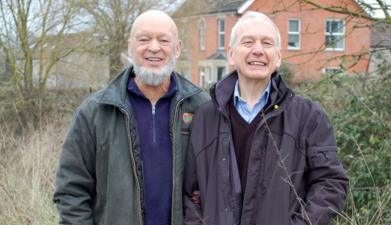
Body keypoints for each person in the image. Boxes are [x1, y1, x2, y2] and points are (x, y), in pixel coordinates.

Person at [184, 11, 349, 225]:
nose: (258, 50)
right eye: (248, 42)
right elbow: (189, 192)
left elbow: (331, 182)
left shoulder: (309, 117)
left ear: (278, 57)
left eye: (267, 43)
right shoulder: (205, 117)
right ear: (231, 54)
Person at [53, 10, 209, 225]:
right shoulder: (95, 111)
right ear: (130, 47)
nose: (154, 47)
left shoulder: (203, 108)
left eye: (163, 40)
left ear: (178, 48)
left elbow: (218, 187)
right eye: (144, 39)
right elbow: (72, 191)